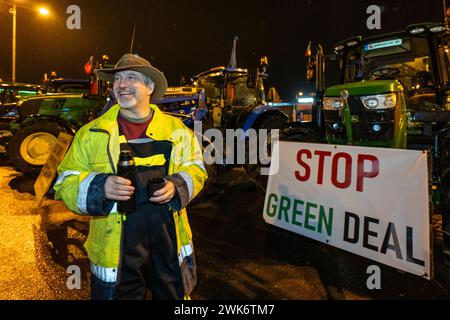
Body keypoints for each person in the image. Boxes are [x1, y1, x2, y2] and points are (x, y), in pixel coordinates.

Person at [54, 53, 207, 300]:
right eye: (118, 79)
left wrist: (176, 186)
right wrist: (99, 187)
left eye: (131, 77)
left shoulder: (178, 131)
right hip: (117, 251)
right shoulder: (91, 133)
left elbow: (197, 169)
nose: (121, 84)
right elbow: (64, 182)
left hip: (169, 244)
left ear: (149, 87)